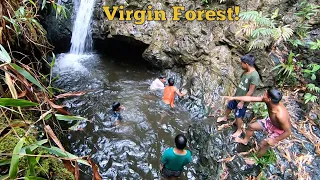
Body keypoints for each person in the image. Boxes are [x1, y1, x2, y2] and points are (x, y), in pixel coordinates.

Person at [222, 88, 292, 158]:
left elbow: (288, 132)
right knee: (251, 127)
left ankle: (255, 160)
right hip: (271, 121)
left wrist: (275, 140)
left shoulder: (280, 115)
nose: (263, 95)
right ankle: (245, 141)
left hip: (280, 130)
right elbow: (249, 99)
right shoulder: (268, 101)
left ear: (269, 99)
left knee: (263, 144)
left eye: (265, 94)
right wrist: (233, 98)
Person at [217, 54, 260, 137]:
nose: (241, 65)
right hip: (237, 96)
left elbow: (251, 91)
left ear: (246, 64)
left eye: (242, 63)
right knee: (229, 106)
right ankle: (225, 117)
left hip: (243, 100)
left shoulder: (255, 76)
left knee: (238, 116)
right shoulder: (246, 72)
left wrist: (242, 102)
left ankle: (239, 130)